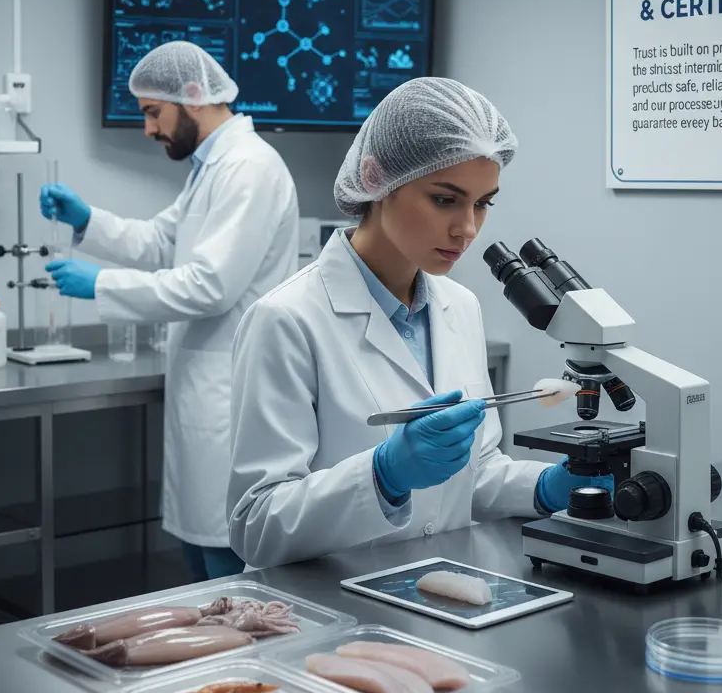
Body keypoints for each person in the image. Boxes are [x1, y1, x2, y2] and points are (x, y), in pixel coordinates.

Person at [227, 77, 611, 570]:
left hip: (435, 600)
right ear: (375, 178)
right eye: (445, 199)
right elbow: (255, 526)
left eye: (482, 203)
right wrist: (382, 475)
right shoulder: (285, 320)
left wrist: (544, 486)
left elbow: (474, 473)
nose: (467, 229)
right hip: (329, 611)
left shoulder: (460, 306)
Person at [40, 41, 299, 581]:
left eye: (152, 112)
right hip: (204, 388)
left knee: (228, 563)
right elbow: (163, 242)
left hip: (231, 392)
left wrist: (103, 286)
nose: (149, 129)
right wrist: (89, 221)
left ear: (194, 96)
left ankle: (240, 665)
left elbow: (210, 286)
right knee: (201, 557)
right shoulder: (213, 166)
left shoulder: (249, 168)